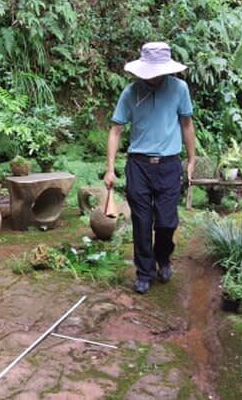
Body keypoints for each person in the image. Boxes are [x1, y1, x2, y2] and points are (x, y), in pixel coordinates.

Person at [103, 42, 196, 295]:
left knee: (166, 222)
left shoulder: (179, 89)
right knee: (142, 222)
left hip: (168, 165)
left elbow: (187, 125)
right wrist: (110, 168)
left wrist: (191, 159)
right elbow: (116, 130)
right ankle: (145, 272)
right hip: (139, 166)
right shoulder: (131, 93)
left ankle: (163, 258)